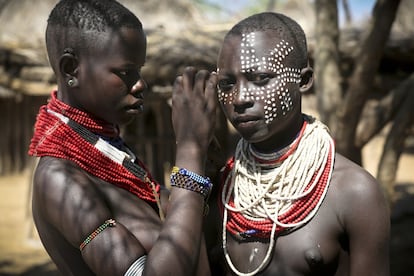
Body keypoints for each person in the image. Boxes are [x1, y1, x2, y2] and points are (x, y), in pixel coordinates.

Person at [28, 0, 217, 275]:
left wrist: (207, 167)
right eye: (125, 72)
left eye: (139, 70)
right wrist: (189, 149)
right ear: (71, 69)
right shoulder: (60, 180)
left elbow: (181, 226)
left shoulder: (108, 153)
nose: (141, 84)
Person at [205, 12, 390, 275]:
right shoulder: (221, 189)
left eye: (260, 78)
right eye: (227, 83)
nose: (239, 98)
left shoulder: (353, 192)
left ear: (303, 80)